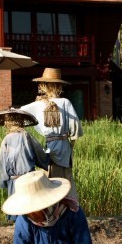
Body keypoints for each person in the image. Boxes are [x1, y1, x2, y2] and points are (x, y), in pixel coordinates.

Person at [22, 67, 83, 202]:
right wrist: (71, 145)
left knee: (50, 181)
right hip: (64, 147)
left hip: (50, 146)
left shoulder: (38, 104)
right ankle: (70, 208)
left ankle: (51, 210)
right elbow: (75, 129)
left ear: (43, 86)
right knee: (66, 180)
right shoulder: (65, 103)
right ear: (59, 87)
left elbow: (20, 112)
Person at [0, 108, 49, 221]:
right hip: (28, 179)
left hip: (14, 181)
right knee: (30, 211)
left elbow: (2, 163)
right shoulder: (26, 136)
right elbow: (39, 154)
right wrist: (47, 158)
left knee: (17, 210)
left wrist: (3, 182)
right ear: (21, 122)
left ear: (7, 123)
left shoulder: (6, 139)